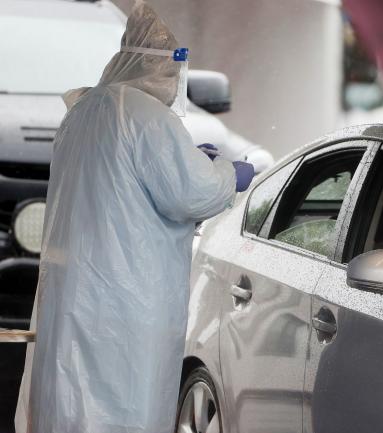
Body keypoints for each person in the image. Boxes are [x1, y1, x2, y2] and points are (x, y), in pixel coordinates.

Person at [14, 2, 254, 433]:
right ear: (157, 69)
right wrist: (227, 174)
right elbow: (191, 195)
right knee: (122, 406)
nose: (173, 82)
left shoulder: (84, 111)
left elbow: (124, 183)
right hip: (127, 300)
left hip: (77, 297)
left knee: (71, 400)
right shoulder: (144, 116)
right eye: (171, 72)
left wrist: (193, 163)